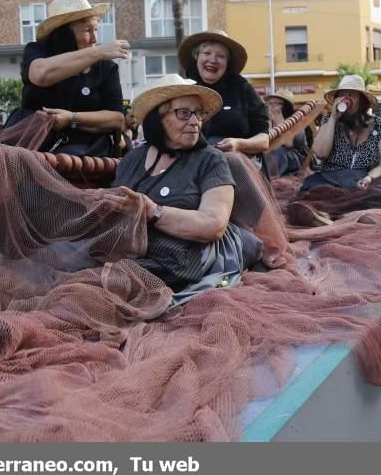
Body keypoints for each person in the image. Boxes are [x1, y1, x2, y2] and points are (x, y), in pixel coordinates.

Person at [107, 74, 261, 298]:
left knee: (104, 285)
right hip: (131, 256)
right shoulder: (132, 159)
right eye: (184, 113)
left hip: (183, 263)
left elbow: (214, 225)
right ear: (158, 117)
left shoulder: (211, 160)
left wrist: (153, 212)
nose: (195, 121)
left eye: (198, 113)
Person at [6, 0, 129, 156]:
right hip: (31, 141)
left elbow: (117, 119)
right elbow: (40, 75)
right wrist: (97, 52)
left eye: (96, 29)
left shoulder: (106, 68)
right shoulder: (37, 51)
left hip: (84, 148)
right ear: (65, 33)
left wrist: (72, 118)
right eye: (87, 31)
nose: (94, 39)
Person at [288, 75, 381, 225]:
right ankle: (348, 214)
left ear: (362, 100)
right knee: (313, 189)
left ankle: (335, 214)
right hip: (331, 179)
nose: (346, 98)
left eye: (351, 95)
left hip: (362, 180)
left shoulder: (378, 124)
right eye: (342, 94)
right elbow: (320, 153)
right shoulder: (329, 120)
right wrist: (333, 118)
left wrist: (369, 178)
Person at [177, 29, 269, 160]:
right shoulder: (186, 89)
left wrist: (238, 144)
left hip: (238, 160)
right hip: (194, 161)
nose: (213, 60)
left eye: (221, 56)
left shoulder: (243, 89)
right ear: (197, 56)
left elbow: (264, 140)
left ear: (227, 63)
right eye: (207, 53)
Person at [264, 89, 309, 177]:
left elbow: (289, 144)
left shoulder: (296, 121)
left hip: (294, 158)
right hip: (273, 158)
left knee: (278, 151)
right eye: (270, 103)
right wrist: (269, 122)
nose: (272, 106)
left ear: (286, 106)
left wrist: (279, 121)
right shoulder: (267, 121)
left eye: (277, 103)